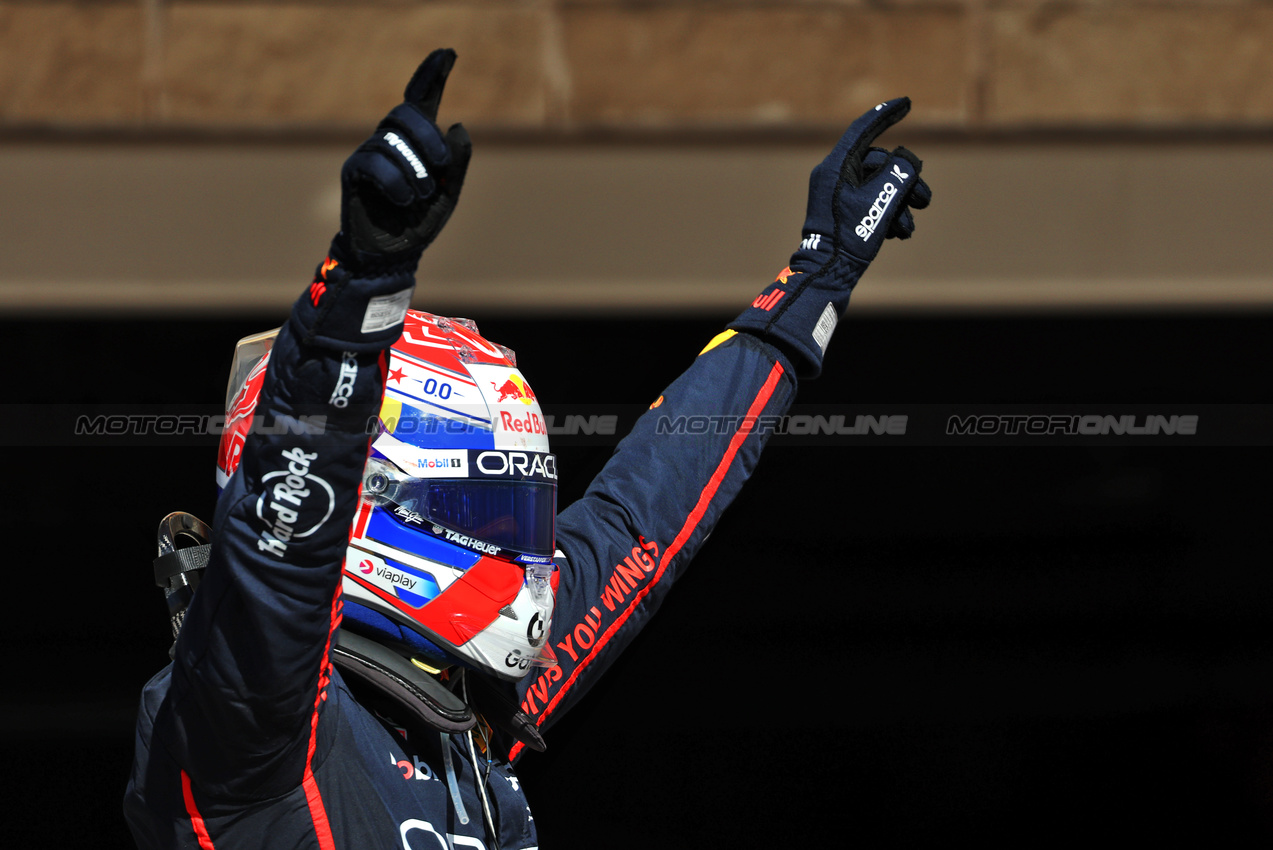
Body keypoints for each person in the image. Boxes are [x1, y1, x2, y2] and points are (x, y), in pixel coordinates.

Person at [124, 49, 931, 849]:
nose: (521, 547)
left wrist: (813, 285)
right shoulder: (251, 720)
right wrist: (359, 293)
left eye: (518, 505)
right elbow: (283, 546)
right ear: (366, 500)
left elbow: (641, 520)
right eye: (476, 504)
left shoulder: (464, 713)